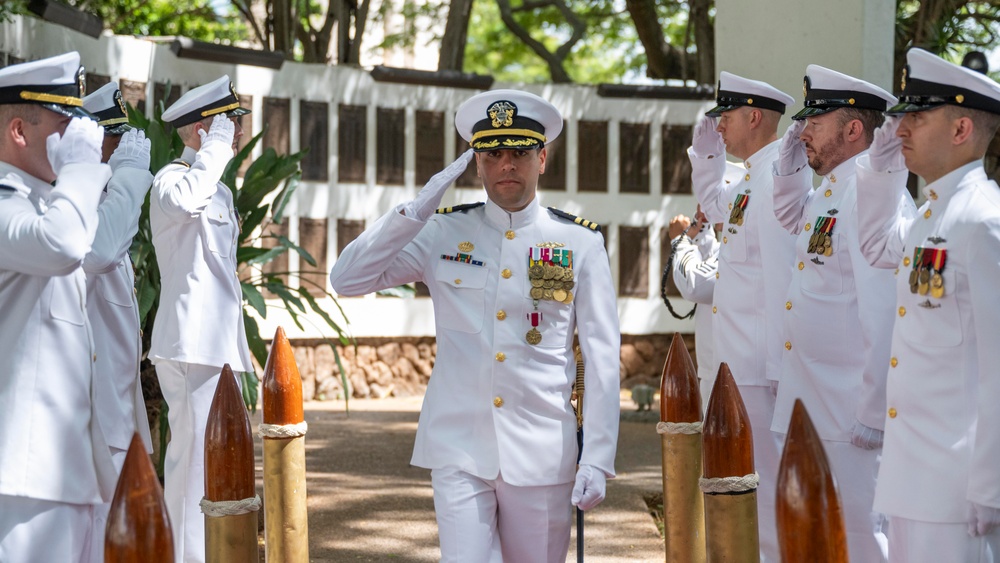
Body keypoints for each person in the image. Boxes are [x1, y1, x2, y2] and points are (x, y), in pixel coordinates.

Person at [329, 89, 620, 563]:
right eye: (493, 154)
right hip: (458, 445)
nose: (507, 164)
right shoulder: (442, 232)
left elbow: (603, 356)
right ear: (478, 164)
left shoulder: (578, 242)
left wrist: (598, 457)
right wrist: (412, 214)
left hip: (543, 450)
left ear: (542, 158)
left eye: (520, 153)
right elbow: (347, 278)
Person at [857, 48, 1000, 563]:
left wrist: (991, 485)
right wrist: (877, 172)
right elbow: (874, 245)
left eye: (918, 116)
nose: (901, 129)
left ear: (961, 129)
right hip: (912, 477)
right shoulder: (929, 217)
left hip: (958, 489)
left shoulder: (982, 221)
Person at [768, 65, 907, 562]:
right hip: (810, 401)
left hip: (848, 416)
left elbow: (884, 310)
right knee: (811, 540)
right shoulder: (831, 190)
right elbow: (790, 219)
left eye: (816, 121)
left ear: (853, 130)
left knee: (858, 542)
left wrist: (873, 413)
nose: (802, 130)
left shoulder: (873, 199)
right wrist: (787, 172)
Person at [0, 52, 117, 562]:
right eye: (64, 124)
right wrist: (84, 172)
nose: (77, 138)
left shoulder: (47, 201)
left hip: (62, 462)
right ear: (20, 131)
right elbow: (64, 245)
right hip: (23, 470)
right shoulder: (9, 202)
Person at [687, 72, 796, 561]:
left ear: (755, 117)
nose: (721, 127)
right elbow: (713, 207)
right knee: (742, 484)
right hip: (740, 366)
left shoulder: (777, 181)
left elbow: (779, 286)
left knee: (764, 488)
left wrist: (778, 372)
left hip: (759, 370)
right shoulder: (753, 176)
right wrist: (708, 157)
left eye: (725, 118)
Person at [150, 76, 253, 563]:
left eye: (234, 123)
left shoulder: (222, 193)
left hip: (214, 344)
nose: (233, 133)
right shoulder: (171, 180)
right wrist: (212, 144)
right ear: (197, 131)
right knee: (192, 463)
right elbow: (188, 199)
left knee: (210, 463)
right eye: (224, 124)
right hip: (188, 344)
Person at [81, 81, 155, 562]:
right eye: (115, 139)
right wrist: (129, 176)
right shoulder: (82, 210)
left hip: (120, 406)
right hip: (96, 409)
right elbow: (102, 250)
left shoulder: (105, 206)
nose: (123, 146)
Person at [667, 207, 718, 403]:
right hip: (716, 369)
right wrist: (702, 229)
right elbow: (711, 259)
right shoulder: (733, 244)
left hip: (734, 372)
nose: (703, 208)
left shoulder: (741, 245)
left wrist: (680, 241)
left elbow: (693, 284)